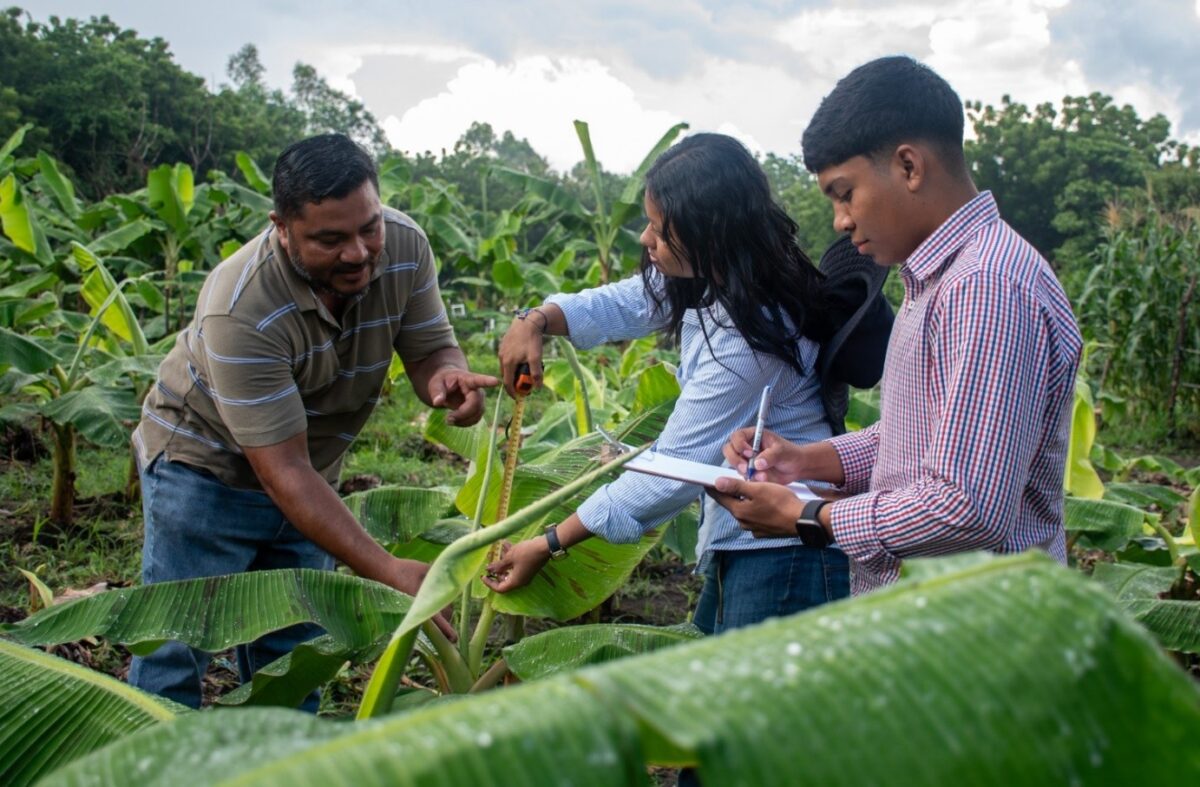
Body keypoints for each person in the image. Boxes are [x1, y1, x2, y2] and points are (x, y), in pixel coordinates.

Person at [128, 133, 498, 709]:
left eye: (367, 227)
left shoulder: (403, 245)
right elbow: (285, 473)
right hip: (203, 467)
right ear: (281, 226)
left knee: (295, 654)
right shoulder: (242, 307)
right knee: (177, 645)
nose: (357, 253)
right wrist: (384, 567)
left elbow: (431, 349)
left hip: (311, 471)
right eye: (329, 239)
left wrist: (445, 381)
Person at [482, 133, 892, 634]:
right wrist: (535, 321)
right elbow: (624, 301)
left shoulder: (753, 338)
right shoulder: (721, 279)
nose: (645, 239)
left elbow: (670, 473)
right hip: (751, 543)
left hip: (787, 557)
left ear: (708, 235)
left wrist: (547, 544)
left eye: (659, 227)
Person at [712, 56, 1084, 594]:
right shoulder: (936, 278)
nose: (841, 220)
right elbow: (922, 436)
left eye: (845, 193)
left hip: (973, 631)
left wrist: (810, 516)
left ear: (909, 166)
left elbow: (966, 505)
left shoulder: (985, 286)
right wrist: (803, 459)